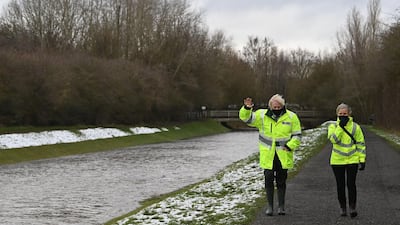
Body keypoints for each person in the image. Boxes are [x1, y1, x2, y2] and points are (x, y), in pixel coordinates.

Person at [239, 94, 302, 216]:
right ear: (270, 106)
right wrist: (247, 108)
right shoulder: (262, 115)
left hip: (283, 154)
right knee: (268, 178)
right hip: (268, 154)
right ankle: (270, 206)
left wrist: (290, 145)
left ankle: (281, 206)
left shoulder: (291, 117)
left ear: (283, 106)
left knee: (281, 180)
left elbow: (297, 135)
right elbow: (246, 119)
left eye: (279, 107)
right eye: (274, 107)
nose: (277, 109)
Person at [327, 103, 366, 218]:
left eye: (345, 114)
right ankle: (343, 208)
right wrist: (340, 127)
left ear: (349, 114)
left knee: (351, 184)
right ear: (337, 114)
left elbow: (361, 143)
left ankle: (352, 207)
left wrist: (362, 159)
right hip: (337, 161)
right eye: (340, 114)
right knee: (340, 185)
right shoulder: (332, 127)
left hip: (352, 159)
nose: (343, 116)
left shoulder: (355, 127)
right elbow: (333, 140)